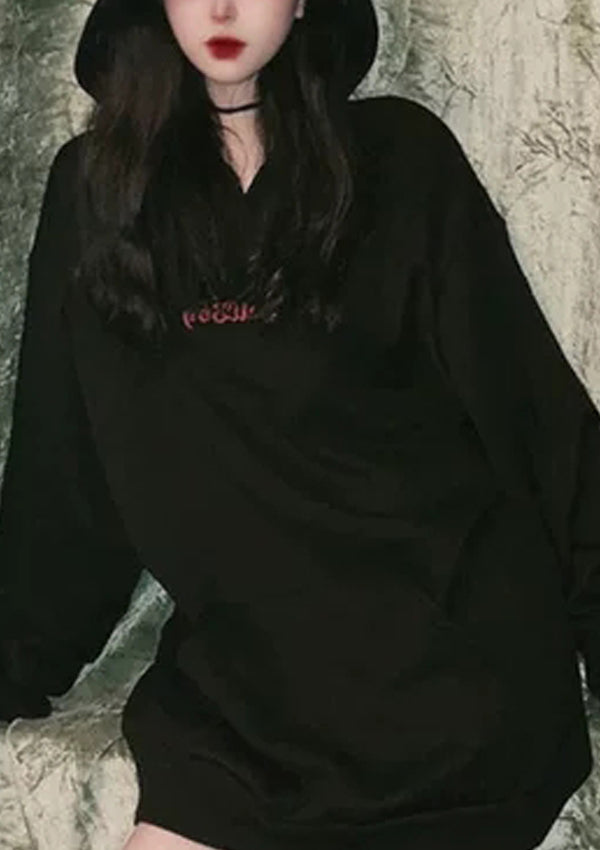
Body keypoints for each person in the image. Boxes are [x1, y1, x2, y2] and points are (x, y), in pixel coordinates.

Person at [1, 0, 599, 848]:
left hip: (446, 662)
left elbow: (539, 422)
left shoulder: (401, 159)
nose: (222, 8)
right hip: (246, 690)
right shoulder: (96, 194)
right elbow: (62, 483)